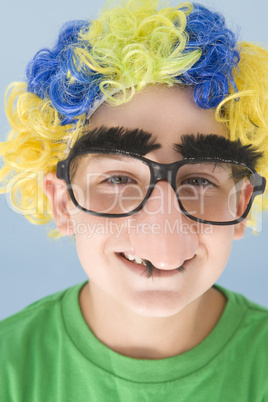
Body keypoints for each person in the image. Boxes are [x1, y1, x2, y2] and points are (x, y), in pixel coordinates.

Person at [0, 0, 268, 400]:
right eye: (120, 178)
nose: (162, 232)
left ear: (241, 205)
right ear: (62, 203)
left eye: (199, 181)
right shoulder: (10, 367)